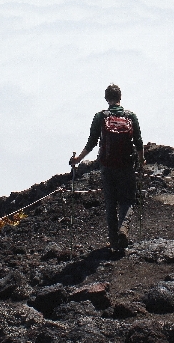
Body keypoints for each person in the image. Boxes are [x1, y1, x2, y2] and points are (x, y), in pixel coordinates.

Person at [70, 84, 145, 252]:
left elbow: (91, 143)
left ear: (106, 99)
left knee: (111, 202)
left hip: (107, 165)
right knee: (128, 200)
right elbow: (138, 142)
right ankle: (123, 229)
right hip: (126, 165)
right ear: (120, 98)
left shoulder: (100, 117)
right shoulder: (131, 116)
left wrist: (77, 159)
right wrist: (141, 162)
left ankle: (113, 240)